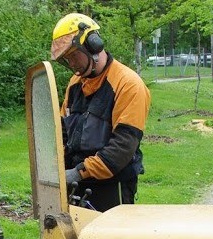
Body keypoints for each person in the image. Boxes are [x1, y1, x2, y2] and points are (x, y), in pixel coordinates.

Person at [50, 13, 151, 212]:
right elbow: (61, 131)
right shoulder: (75, 84)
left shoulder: (128, 84)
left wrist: (78, 173)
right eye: (66, 58)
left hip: (113, 185)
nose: (71, 64)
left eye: (73, 55)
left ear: (92, 44)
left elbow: (122, 148)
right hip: (77, 181)